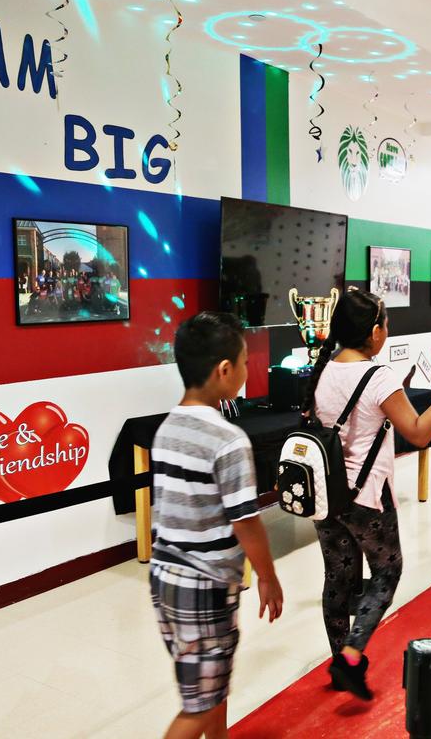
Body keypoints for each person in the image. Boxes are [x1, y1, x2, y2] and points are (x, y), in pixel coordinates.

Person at [303, 289, 431, 701]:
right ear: (374, 332)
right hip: (368, 496)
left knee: (337, 578)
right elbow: (419, 432)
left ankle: (339, 659)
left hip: (328, 495)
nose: (387, 332)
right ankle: (351, 655)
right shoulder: (379, 377)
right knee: (387, 573)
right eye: (385, 324)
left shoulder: (323, 369)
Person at [149, 311, 284, 739]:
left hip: (165, 576)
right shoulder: (229, 441)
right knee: (199, 706)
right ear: (224, 370)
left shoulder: (166, 429)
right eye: (244, 362)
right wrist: (268, 575)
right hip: (203, 584)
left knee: (210, 684)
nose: (247, 369)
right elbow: (246, 522)